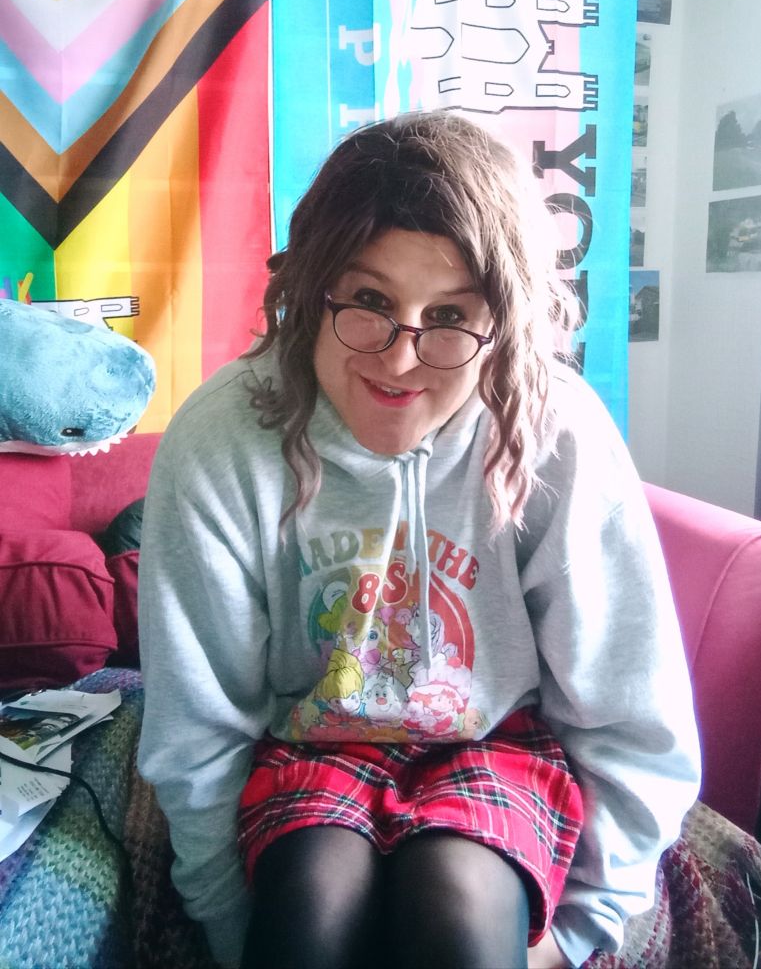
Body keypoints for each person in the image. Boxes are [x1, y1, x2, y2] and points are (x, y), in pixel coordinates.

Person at [137, 110, 700, 969]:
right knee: (308, 906)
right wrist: (231, 926)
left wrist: (580, 929)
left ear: (503, 321)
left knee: (460, 913)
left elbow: (629, 705)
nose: (401, 359)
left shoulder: (556, 432)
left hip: (497, 740)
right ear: (311, 292)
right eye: (368, 302)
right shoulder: (222, 437)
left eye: (448, 315)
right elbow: (197, 722)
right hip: (306, 741)